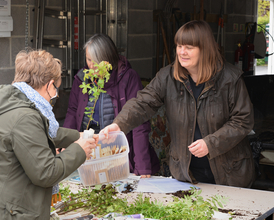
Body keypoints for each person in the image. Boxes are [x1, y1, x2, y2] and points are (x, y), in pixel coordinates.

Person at [101, 20, 256, 188]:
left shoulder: (230, 79)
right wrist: (119, 124)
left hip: (229, 173)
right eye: (179, 46)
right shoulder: (167, 77)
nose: (182, 52)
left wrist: (210, 144)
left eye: (189, 47)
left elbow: (243, 121)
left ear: (205, 49)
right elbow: (142, 103)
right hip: (186, 173)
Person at [0, 50, 98, 220]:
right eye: (56, 89)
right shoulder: (25, 116)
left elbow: (40, 135)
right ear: (49, 86)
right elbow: (46, 173)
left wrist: (77, 136)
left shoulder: (9, 104)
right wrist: (79, 149)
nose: (55, 96)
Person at [63, 33, 160, 178]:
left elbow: (138, 121)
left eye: (96, 61)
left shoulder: (128, 77)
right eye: (88, 59)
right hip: (90, 151)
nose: (91, 65)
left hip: (118, 151)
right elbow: (72, 111)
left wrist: (143, 166)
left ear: (108, 60)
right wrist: (66, 143)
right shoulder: (82, 78)